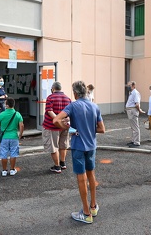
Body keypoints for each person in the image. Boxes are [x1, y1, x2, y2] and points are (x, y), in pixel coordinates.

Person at [53, 80, 105, 224]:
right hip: (91, 146)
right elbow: (102, 129)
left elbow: (56, 119)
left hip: (78, 146)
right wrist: (88, 129)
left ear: (75, 93)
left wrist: (67, 127)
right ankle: (93, 206)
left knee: (81, 178)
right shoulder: (95, 106)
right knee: (91, 175)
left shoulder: (73, 106)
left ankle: (86, 213)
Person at [42, 82, 71, 173]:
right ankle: (62, 163)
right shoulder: (68, 98)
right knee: (63, 145)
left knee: (53, 146)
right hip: (64, 126)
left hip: (51, 127)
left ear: (53, 88)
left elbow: (49, 111)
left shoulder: (50, 98)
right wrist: (63, 120)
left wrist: (57, 120)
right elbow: (70, 113)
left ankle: (57, 166)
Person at [0, 97, 24, 177]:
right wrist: (20, 135)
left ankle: (4, 171)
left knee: (4, 153)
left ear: (7, 105)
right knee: (13, 153)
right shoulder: (17, 114)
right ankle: (12, 170)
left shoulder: (2, 114)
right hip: (14, 137)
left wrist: (2, 126)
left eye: (5, 103)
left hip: (4, 137)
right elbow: (21, 125)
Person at [125, 81, 145, 147]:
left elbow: (137, 104)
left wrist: (139, 110)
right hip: (130, 110)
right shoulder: (131, 93)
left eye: (129, 85)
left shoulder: (135, 93)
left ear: (133, 85)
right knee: (133, 127)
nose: (128, 86)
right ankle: (133, 141)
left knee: (135, 127)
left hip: (132, 110)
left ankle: (136, 142)